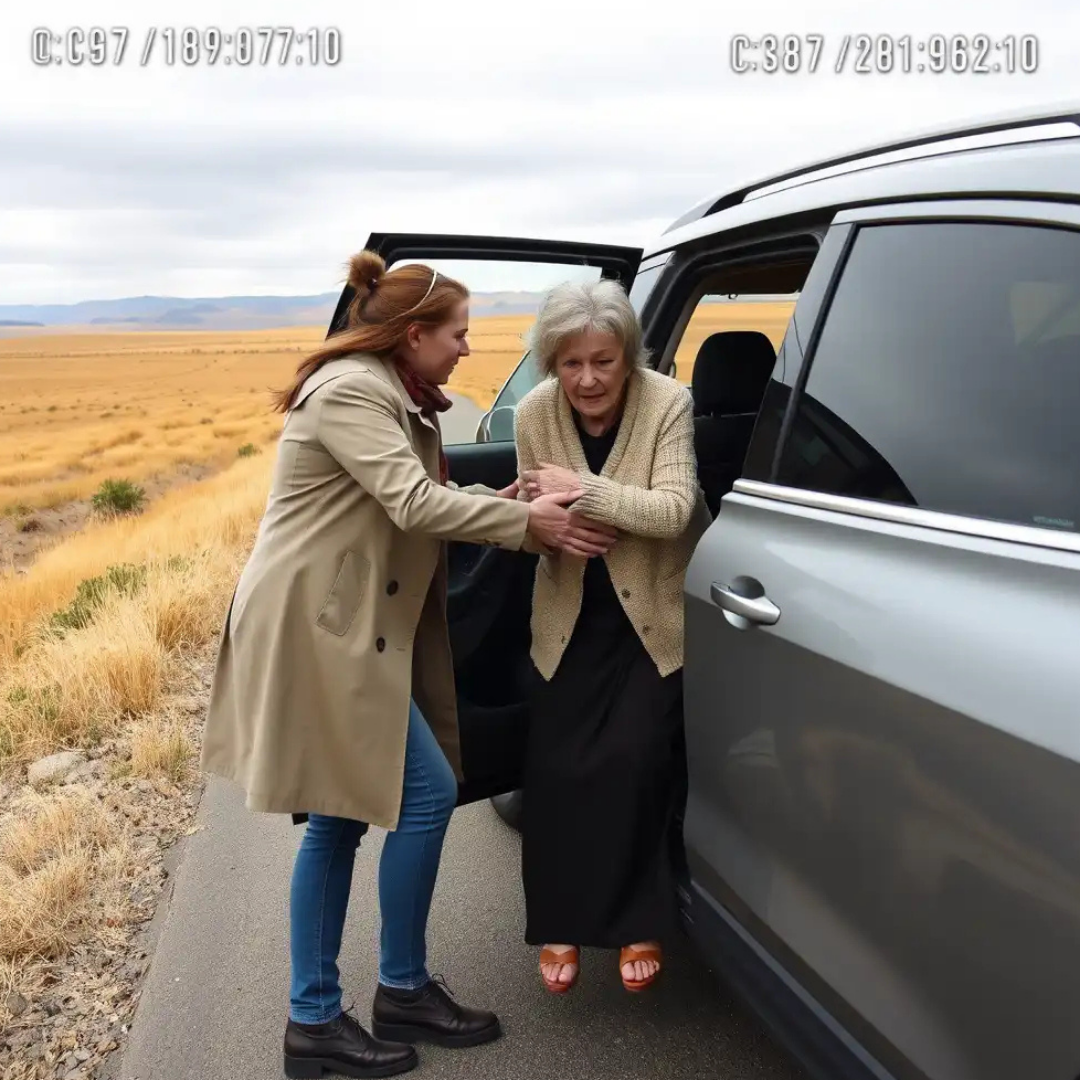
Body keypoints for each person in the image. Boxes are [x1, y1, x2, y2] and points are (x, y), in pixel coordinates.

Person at [200, 251, 612, 1079]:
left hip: (347, 624)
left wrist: (501, 504)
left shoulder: (399, 398)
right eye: (458, 334)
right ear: (414, 333)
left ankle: (371, 998)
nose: (467, 349)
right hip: (320, 628)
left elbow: (410, 513)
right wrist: (530, 525)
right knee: (404, 800)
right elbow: (411, 502)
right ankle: (350, 1006)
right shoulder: (354, 391)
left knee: (343, 815)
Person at [513, 278, 711, 995]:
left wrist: (580, 489)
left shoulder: (668, 403)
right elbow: (538, 525)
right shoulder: (534, 412)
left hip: (649, 621)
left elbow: (671, 511)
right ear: (551, 363)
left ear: (628, 356)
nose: (588, 379)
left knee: (633, 765)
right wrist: (539, 523)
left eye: (604, 360)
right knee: (559, 774)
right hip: (569, 617)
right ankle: (562, 919)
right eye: (571, 363)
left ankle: (637, 921)